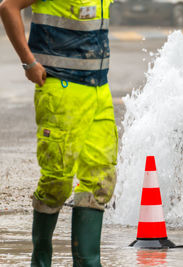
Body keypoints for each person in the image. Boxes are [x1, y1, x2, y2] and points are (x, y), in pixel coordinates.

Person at [0, 0, 118, 266]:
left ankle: (88, 262)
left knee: (100, 178)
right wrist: (28, 63)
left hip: (99, 90)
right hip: (62, 89)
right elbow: (8, 7)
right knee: (57, 180)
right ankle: (41, 259)